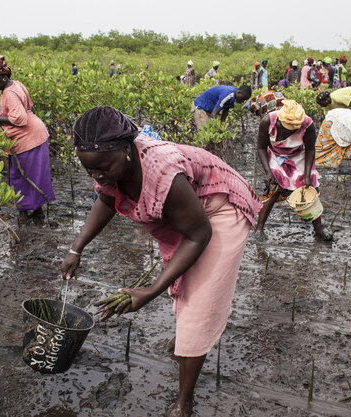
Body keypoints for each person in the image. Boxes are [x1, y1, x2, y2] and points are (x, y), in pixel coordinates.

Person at [61, 106, 261, 417]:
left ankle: (184, 401)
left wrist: (150, 291)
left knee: (201, 300)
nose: (97, 175)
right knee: (184, 280)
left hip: (219, 207)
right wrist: (77, 248)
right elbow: (106, 199)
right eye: (90, 171)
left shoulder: (161, 170)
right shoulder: (109, 166)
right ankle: (184, 340)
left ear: (127, 150)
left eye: (103, 168)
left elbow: (198, 234)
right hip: (189, 210)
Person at [0, 55, 56, 225]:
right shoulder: (16, 85)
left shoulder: (9, 93)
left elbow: (20, 118)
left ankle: (24, 215)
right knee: (34, 175)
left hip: (28, 140)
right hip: (36, 136)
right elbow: (31, 108)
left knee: (19, 177)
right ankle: (37, 212)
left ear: (4, 76)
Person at [254, 100, 332, 240]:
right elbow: (260, 147)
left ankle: (319, 230)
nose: (291, 130)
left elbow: (310, 149)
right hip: (276, 155)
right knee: (272, 189)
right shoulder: (268, 121)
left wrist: (307, 175)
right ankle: (259, 229)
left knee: (310, 190)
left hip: (298, 156)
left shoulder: (307, 124)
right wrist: (268, 172)